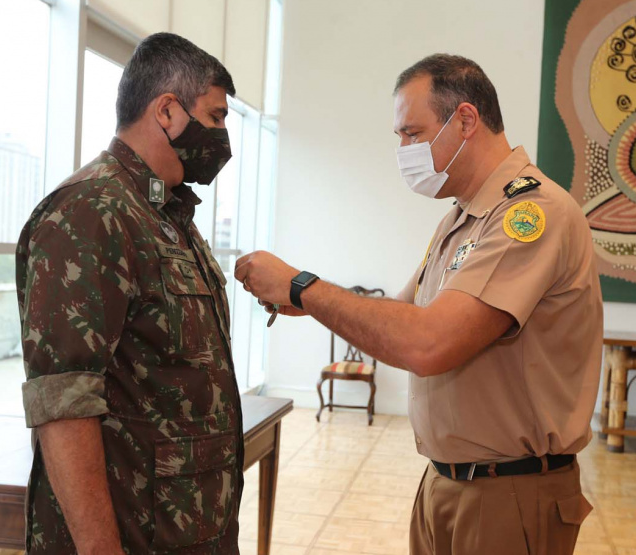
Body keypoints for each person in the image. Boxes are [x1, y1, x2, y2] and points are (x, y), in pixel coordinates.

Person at [235, 53, 603, 555]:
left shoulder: (530, 215)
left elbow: (428, 343)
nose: (404, 149)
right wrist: (315, 300)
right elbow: (403, 315)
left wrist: (301, 286)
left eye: (412, 133)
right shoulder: (462, 218)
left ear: (466, 120)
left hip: (507, 493)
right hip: (448, 481)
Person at [17, 33, 242, 554]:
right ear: (167, 110)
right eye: (215, 117)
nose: (222, 136)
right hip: (132, 534)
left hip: (185, 527)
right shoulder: (92, 211)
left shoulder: (166, 214)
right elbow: (64, 404)